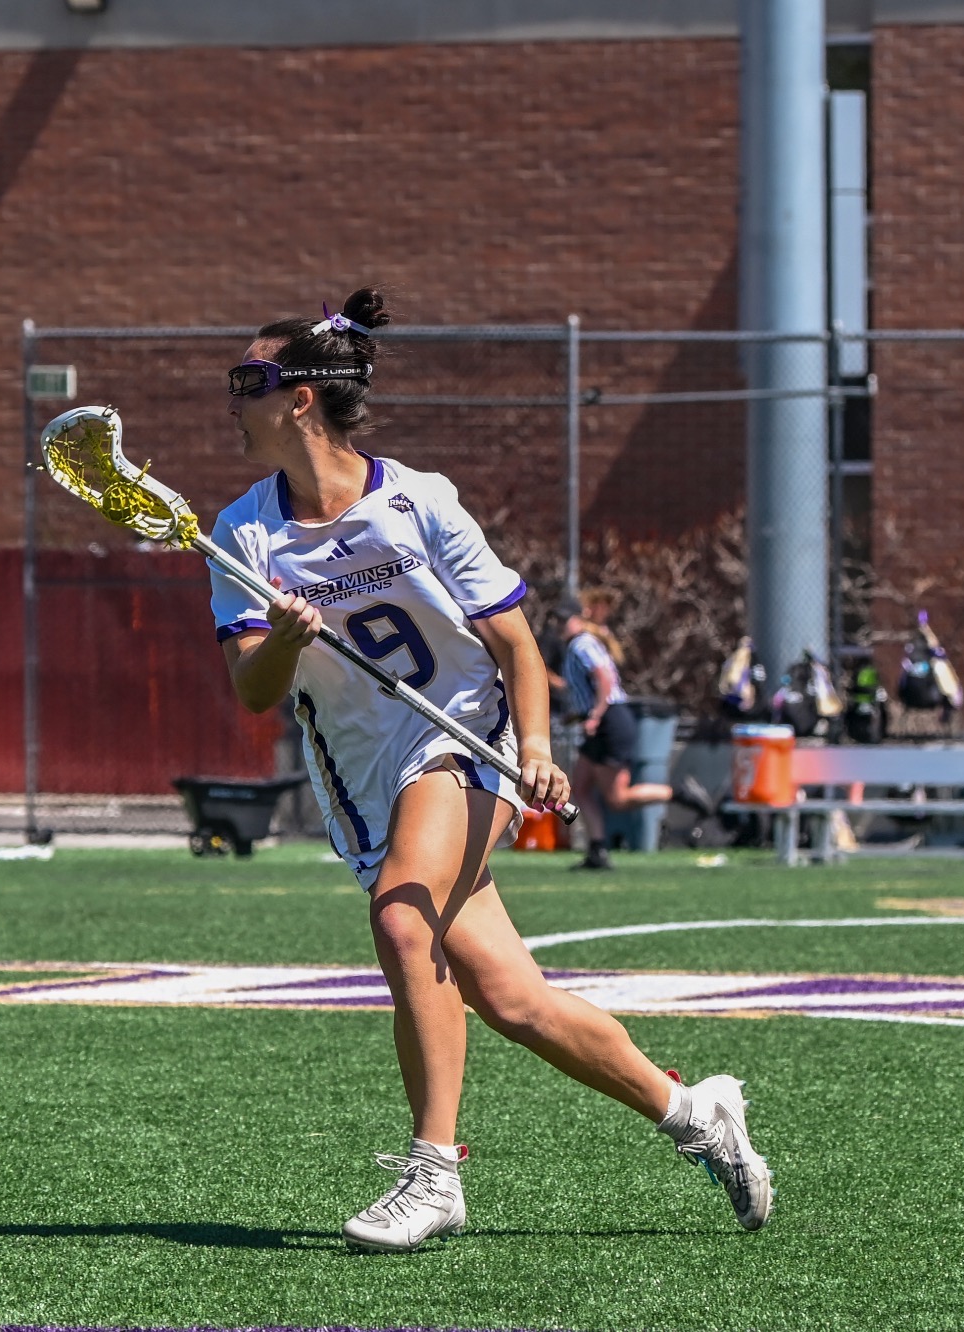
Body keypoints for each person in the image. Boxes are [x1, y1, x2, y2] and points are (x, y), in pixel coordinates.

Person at [211, 287, 770, 1252]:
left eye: (249, 381)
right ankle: (695, 1113)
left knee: (400, 911)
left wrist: (538, 750)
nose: (235, 399)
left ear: (301, 397)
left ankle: (434, 1174)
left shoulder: (419, 502)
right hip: (360, 776)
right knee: (513, 1002)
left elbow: (514, 645)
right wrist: (286, 638)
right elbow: (255, 690)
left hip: (462, 738)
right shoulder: (243, 533)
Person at [557, 596, 676, 870]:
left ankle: (676, 794)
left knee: (617, 798)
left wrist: (596, 715)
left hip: (610, 722)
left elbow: (604, 679)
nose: (559, 625)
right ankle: (597, 850)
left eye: (564, 620)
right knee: (582, 788)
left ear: (579, 620)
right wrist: (579, 715)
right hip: (601, 722)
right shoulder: (577, 645)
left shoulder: (583, 643)